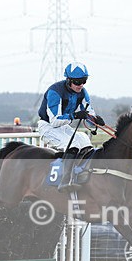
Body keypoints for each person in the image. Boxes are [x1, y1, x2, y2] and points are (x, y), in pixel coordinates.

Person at [37, 62, 106, 192]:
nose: (81, 85)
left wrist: (95, 119)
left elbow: (88, 111)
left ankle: (82, 175)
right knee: (73, 144)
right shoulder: (55, 92)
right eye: (77, 82)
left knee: (85, 140)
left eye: (84, 81)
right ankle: (64, 181)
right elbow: (55, 121)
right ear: (68, 80)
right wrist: (74, 115)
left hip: (63, 127)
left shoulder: (82, 92)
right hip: (48, 127)